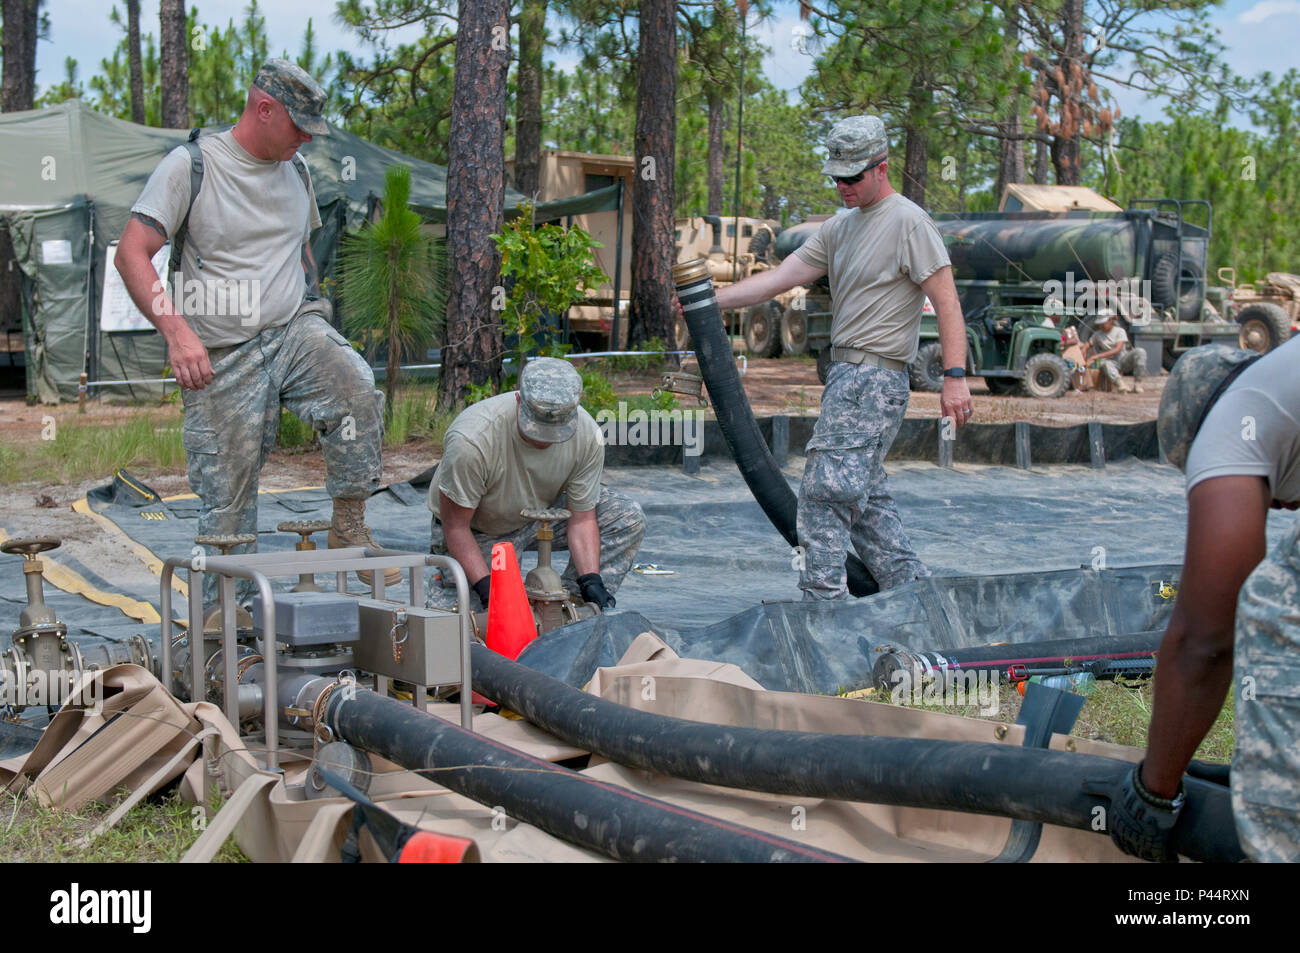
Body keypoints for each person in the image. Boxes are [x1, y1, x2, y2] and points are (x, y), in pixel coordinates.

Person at [116, 59, 395, 594]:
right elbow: (132, 253)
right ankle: (229, 626)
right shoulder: (192, 166)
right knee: (228, 504)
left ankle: (348, 526)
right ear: (264, 109)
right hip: (222, 354)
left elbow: (302, 249)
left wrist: (315, 306)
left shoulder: (297, 171)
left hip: (291, 332)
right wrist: (177, 333)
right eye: (300, 127)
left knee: (355, 386)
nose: (308, 140)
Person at [679, 115, 974, 599]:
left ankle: (824, 614)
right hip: (846, 379)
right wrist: (710, 300)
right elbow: (781, 278)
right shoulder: (840, 227)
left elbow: (946, 301)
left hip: (874, 380)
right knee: (868, 505)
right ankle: (917, 600)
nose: (842, 186)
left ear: (881, 168)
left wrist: (955, 377)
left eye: (852, 176)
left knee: (823, 497)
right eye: (836, 177)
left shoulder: (908, 222)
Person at [1109, 339, 1300, 863]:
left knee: (1274, 598)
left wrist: (1155, 790)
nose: (1283, 505)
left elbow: (1206, 638)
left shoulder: (1234, 412)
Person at [428, 358, 645, 611]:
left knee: (626, 516)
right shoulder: (472, 441)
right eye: (537, 429)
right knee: (466, 629)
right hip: (480, 530)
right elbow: (456, 528)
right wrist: (488, 589)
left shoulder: (587, 435)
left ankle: (568, 606)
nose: (545, 440)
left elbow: (582, 518)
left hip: (541, 513)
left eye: (556, 432)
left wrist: (590, 579)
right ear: (519, 400)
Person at [1085, 308, 1146, 393]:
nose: (1101, 326)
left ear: (1110, 320)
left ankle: (1137, 383)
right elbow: (1087, 345)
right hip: (1110, 362)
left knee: (1140, 352)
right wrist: (1083, 354)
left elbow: (1117, 349)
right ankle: (1120, 384)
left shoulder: (1119, 331)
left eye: (1103, 323)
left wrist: (1096, 356)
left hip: (1123, 359)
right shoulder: (1097, 335)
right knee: (1105, 364)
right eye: (1100, 324)